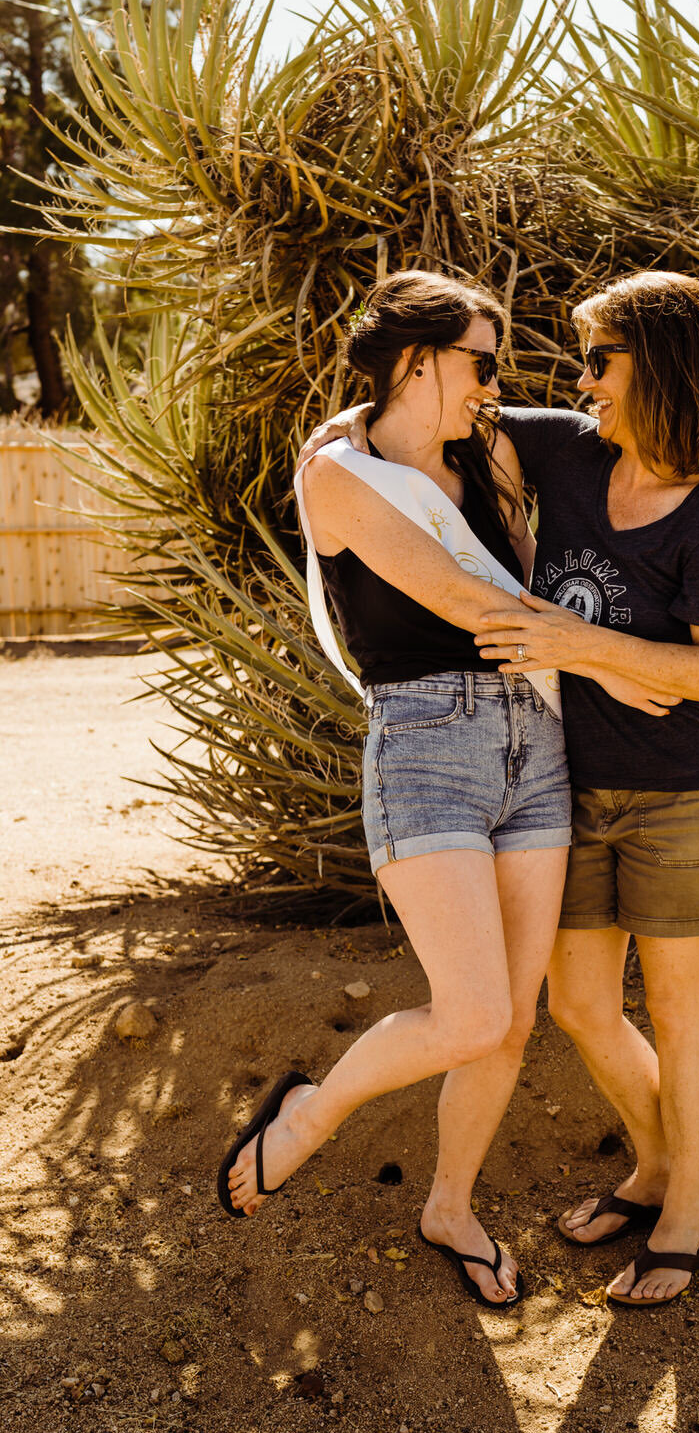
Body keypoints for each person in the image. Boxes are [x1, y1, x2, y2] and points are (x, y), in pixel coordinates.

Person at [309, 270, 699, 1308]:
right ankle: (652, 1171)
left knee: (681, 1010)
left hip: (680, 792)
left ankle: (683, 1222)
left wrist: (571, 639)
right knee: (582, 1007)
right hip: (568, 785)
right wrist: (324, 443)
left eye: (601, 360)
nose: (582, 379)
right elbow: (414, 406)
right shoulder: (564, 449)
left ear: (660, 366)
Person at [217, 271, 671, 1310]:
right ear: (415, 359)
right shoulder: (342, 479)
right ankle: (307, 1114)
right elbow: (464, 599)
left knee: (510, 1023)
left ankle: (450, 1208)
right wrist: (615, 666)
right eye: (478, 360)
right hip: (428, 742)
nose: (492, 384)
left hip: (534, 742)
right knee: (470, 1012)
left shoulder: (485, 457)